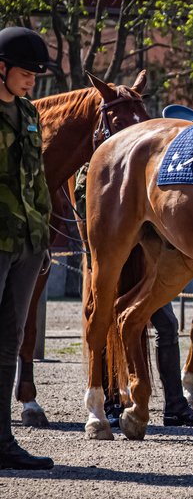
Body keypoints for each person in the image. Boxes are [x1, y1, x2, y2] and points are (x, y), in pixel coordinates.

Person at [73, 145, 193, 432]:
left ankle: (174, 404)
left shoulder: (141, 140)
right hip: (116, 254)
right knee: (104, 316)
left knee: (166, 323)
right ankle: (110, 400)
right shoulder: (97, 163)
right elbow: (86, 208)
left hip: (147, 254)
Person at [0, 26, 55, 470]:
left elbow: (37, 181)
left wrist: (43, 236)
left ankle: (2, 440)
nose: (32, 80)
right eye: (25, 72)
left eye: (36, 75)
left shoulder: (30, 113)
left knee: (9, 343)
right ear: (0, 69)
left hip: (26, 243)